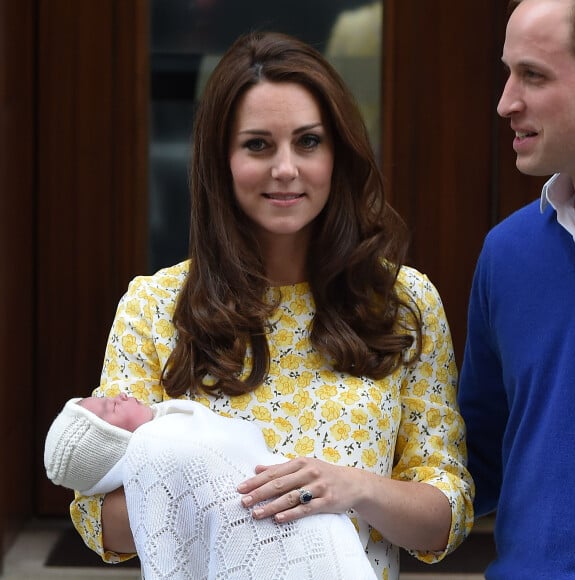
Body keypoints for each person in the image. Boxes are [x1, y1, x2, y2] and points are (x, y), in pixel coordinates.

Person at [71, 31, 473, 578]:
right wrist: (217, 485)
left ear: (339, 153)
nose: (286, 168)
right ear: (221, 159)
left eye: (308, 141)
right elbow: (102, 523)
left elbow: (446, 519)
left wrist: (352, 487)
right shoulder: (156, 305)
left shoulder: (404, 302)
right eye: (258, 144)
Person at [458, 0, 575, 577]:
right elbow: (475, 458)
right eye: (509, 73)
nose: (506, 102)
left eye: (533, 74)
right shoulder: (507, 254)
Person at [45, 393, 375, 579]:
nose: (115, 396)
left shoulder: (172, 430)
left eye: (103, 398)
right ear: (111, 443)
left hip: (315, 521)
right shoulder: (160, 444)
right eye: (107, 410)